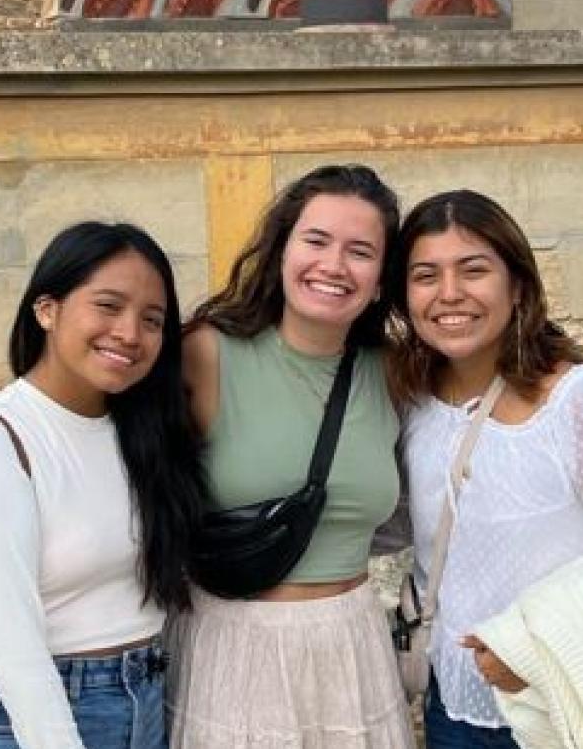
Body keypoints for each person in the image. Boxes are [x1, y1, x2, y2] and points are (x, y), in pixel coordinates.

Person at [388, 190, 583, 747]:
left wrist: (534, 648)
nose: (450, 294)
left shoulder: (577, 403)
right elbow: (403, 522)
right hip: (450, 704)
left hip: (562, 700)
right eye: (426, 275)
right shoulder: (415, 402)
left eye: (474, 270)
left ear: (518, 284)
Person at [0, 221, 208, 749]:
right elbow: (11, 645)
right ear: (47, 309)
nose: (129, 333)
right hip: (16, 718)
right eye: (107, 306)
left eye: (152, 320)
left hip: (142, 698)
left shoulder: (146, 435)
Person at [169, 165, 411, 748]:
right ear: (281, 250)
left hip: (352, 647)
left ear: (381, 278)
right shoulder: (204, 353)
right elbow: (111, 441)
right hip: (232, 647)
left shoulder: (399, 372)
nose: (333, 265)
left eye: (360, 251)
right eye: (316, 240)